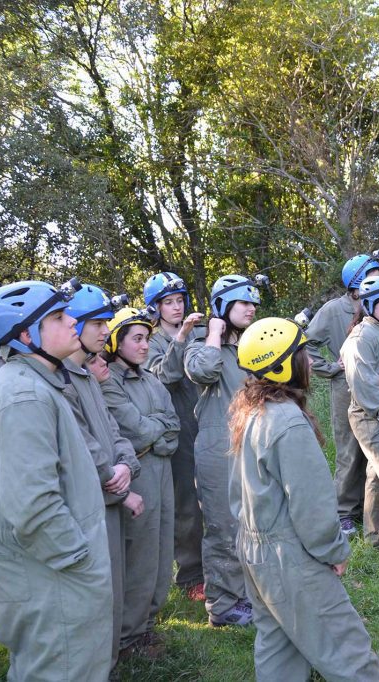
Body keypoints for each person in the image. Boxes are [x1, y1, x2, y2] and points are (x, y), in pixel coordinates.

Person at [229, 316, 379, 681]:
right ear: (283, 364)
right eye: (301, 353)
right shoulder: (287, 422)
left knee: (279, 650)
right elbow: (312, 506)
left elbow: (235, 494)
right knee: (349, 654)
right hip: (291, 558)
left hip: (255, 550)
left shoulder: (250, 412)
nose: (309, 360)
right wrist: (333, 551)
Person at [0, 280, 113, 681]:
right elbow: (33, 505)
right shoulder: (26, 397)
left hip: (52, 581)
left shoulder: (34, 385)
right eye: (57, 317)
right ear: (24, 334)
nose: (72, 322)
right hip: (56, 585)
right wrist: (80, 561)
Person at [64, 284, 142, 672]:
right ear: (73, 325)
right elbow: (83, 443)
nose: (105, 331)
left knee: (113, 586)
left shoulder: (85, 375)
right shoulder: (62, 380)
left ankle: (109, 663)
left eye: (106, 322)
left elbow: (112, 432)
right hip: (92, 502)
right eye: (96, 323)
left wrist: (126, 464)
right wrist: (115, 478)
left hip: (112, 491)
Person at [101, 307, 180, 659]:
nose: (145, 345)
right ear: (116, 342)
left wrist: (155, 434)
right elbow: (132, 428)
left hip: (162, 467)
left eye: (147, 338)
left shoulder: (150, 378)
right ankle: (128, 637)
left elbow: (171, 424)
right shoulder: (108, 381)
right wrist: (154, 432)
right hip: (139, 473)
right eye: (137, 339)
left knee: (163, 548)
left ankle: (147, 625)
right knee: (142, 554)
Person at [185, 274, 260, 626]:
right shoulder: (201, 343)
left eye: (253, 302)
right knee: (222, 527)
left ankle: (246, 593)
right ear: (221, 307)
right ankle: (223, 606)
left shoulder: (251, 344)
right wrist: (213, 333)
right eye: (243, 302)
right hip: (217, 447)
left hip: (250, 441)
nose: (251, 308)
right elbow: (202, 371)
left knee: (250, 522)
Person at [305, 253, 379, 536]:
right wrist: (330, 368)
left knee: (374, 447)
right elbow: (307, 344)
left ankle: (368, 507)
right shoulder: (333, 310)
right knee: (349, 450)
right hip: (345, 388)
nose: (378, 279)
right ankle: (343, 512)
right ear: (357, 282)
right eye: (371, 276)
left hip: (375, 385)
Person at [143, 271, 206, 599]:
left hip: (207, 423)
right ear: (155, 308)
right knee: (187, 504)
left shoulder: (200, 332)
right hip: (177, 428)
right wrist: (181, 338)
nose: (176, 307)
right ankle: (191, 574)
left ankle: (221, 563)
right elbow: (162, 377)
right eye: (168, 302)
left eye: (179, 300)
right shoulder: (150, 341)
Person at [339, 275, 379, 550]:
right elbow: (365, 388)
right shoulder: (361, 338)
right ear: (370, 305)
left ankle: (373, 535)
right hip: (370, 416)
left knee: (376, 474)